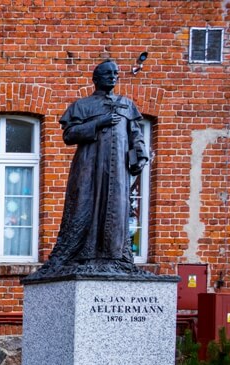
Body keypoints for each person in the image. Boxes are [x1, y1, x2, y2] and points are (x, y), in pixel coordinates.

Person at [28, 60, 150, 280]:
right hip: (89, 167)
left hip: (118, 170)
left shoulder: (127, 105)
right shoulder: (82, 106)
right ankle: (83, 255)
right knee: (85, 207)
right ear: (96, 79)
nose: (113, 77)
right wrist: (99, 123)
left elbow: (135, 134)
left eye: (115, 73)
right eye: (107, 73)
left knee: (116, 209)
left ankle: (114, 258)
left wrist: (140, 154)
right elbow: (69, 135)